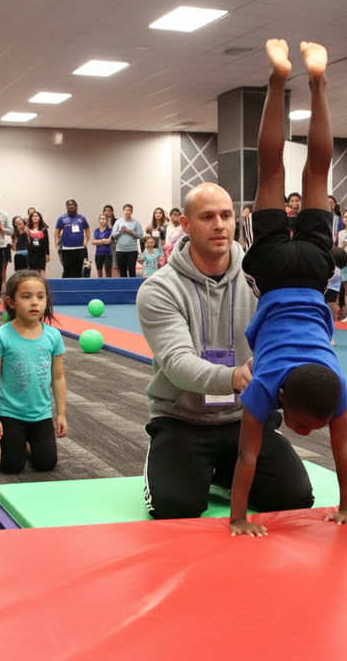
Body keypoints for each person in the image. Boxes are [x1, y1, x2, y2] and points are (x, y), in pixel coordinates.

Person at [229, 39, 347, 537]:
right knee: (275, 172)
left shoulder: (331, 389)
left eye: (307, 426)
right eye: (305, 427)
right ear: (283, 394)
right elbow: (251, 450)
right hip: (276, 272)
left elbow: (253, 453)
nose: (306, 433)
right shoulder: (268, 387)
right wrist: (237, 519)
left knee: (310, 172)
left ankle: (314, 82)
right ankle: (279, 80)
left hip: (311, 272)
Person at [136, 179, 314, 521]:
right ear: (185, 225)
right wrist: (232, 377)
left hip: (246, 417)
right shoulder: (159, 290)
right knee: (173, 508)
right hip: (182, 419)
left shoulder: (262, 277)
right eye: (206, 217)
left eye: (226, 215)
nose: (219, 225)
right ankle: (186, 463)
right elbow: (176, 362)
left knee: (294, 498)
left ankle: (225, 472)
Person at [0, 270, 67, 474]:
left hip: (41, 414)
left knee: (46, 464)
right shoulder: (1, 336)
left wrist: (61, 414)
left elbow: (58, 378)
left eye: (40, 297)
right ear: (11, 302)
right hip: (10, 413)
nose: (34, 303)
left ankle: (26, 444)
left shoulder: (53, 336)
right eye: (26, 296)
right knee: (11, 467)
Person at [54, 199, 90, 278]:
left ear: (76, 206)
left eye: (72, 204)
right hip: (67, 248)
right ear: (66, 207)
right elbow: (57, 231)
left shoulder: (82, 218)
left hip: (79, 248)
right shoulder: (62, 218)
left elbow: (87, 229)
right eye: (69, 205)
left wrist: (86, 240)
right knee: (67, 269)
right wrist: (58, 241)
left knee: (79, 270)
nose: (71, 206)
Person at [112, 203, 143, 277]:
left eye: (129, 210)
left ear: (132, 212)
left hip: (132, 250)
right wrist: (120, 231)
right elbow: (113, 235)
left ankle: (132, 287)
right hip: (120, 250)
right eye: (126, 210)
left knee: (132, 270)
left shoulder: (136, 223)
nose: (127, 212)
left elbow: (141, 236)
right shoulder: (118, 222)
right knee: (122, 271)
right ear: (123, 211)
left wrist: (131, 232)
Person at [92, 213, 113, 278]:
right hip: (98, 253)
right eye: (101, 219)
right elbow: (93, 241)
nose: (102, 220)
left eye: (104, 219)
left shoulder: (110, 230)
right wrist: (102, 241)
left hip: (108, 253)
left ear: (107, 220)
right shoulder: (96, 230)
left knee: (108, 271)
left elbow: (110, 241)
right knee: (99, 271)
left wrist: (102, 241)